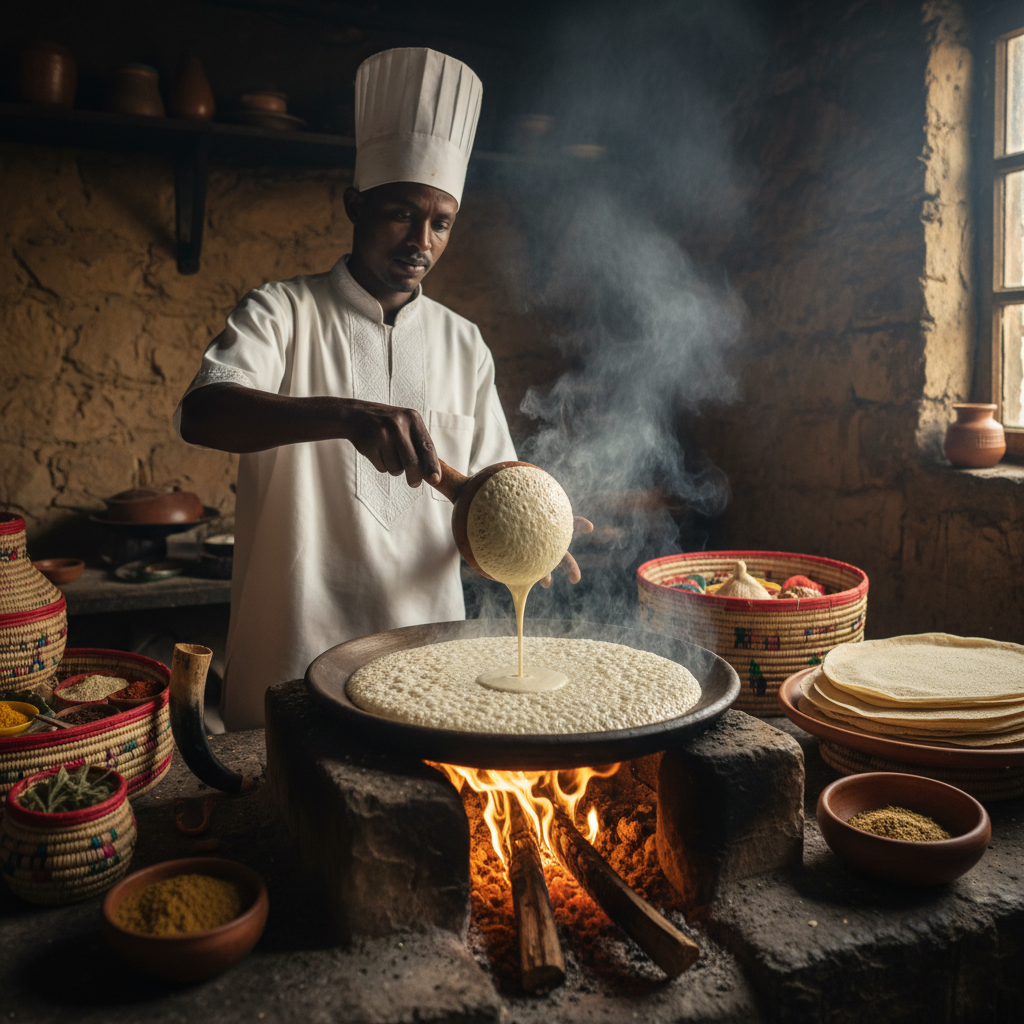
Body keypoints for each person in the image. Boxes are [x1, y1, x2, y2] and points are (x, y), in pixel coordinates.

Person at [175, 48, 585, 730]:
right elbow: (202, 413)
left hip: (430, 680)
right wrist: (344, 414)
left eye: (441, 222)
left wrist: (524, 539)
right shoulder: (280, 312)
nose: (420, 241)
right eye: (401, 213)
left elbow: (481, 505)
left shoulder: (463, 343)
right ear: (355, 204)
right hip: (290, 669)